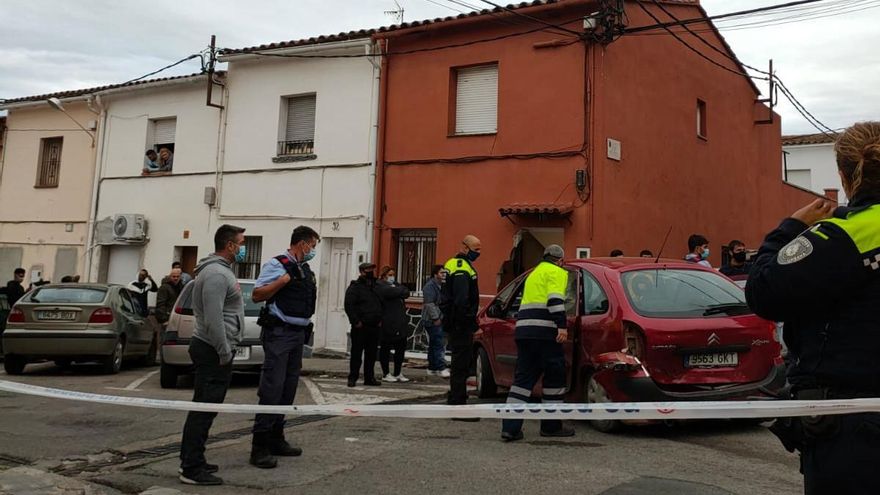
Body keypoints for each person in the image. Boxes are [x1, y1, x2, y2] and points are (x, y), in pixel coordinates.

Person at [745, 122, 880, 494]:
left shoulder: (845, 237)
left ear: (845, 175)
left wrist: (788, 228)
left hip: (854, 428)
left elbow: (762, 291)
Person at [178, 224, 246, 486]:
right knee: (203, 409)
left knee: (207, 408)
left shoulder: (221, 271)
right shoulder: (217, 274)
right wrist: (224, 350)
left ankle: (195, 458)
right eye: (241, 243)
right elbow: (213, 318)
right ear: (229, 245)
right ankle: (191, 468)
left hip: (213, 348)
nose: (242, 248)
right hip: (211, 349)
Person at [248, 226, 320, 469]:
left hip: (298, 335)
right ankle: (259, 447)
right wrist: (283, 280)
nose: (314, 251)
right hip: (279, 333)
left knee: (288, 389)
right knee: (272, 388)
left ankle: (277, 438)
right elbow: (257, 295)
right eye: (313, 245)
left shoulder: (305, 269)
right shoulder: (277, 265)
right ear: (302, 244)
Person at [500, 245, 574, 441]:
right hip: (545, 332)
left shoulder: (533, 273)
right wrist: (562, 326)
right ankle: (551, 426)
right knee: (554, 378)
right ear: (560, 260)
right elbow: (555, 301)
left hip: (524, 332)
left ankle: (510, 429)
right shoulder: (557, 272)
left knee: (522, 381)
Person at [441, 235, 482, 418]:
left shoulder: (455, 265)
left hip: (456, 321)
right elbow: (460, 299)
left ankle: (457, 397)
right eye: (476, 248)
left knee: (460, 363)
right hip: (460, 323)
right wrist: (469, 322)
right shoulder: (460, 267)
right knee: (461, 363)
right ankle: (458, 403)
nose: (478, 252)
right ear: (465, 247)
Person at [344, 263, 383, 388]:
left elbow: (381, 303)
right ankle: (352, 378)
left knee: (371, 355)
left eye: (372, 269)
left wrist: (380, 319)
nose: (371, 272)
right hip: (360, 326)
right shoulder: (355, 287)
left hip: (374, 325)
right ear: (361, 271)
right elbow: (349, 305)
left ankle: (369, 377)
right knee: (356, 354)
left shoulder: (375, 286)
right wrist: (356, 322)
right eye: (368, 270)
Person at [376, 266, 411, 383]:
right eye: (390, 274)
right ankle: (386, 373)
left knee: (400, 348)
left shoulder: (395, 285)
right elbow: (391, 292)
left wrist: (399, 290)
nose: (392, 277)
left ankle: (398, 372)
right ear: (384, 275)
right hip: (388, 322)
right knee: (385, 348)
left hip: (400, 322)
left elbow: (406, 292)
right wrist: (399, 290)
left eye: (393, 274)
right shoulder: (380, 285)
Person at [422, 264, 449, 378]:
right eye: (441, 273)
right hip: (431, 319)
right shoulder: (430, 286)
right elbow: (429, 304)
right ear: (435, 274)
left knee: (434, 343)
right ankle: (441, 367)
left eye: (444, 273)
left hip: (438, 317)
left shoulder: (440, 285)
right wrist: (436, 318)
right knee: (439, 342)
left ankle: (432, 367)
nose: (443, 275)